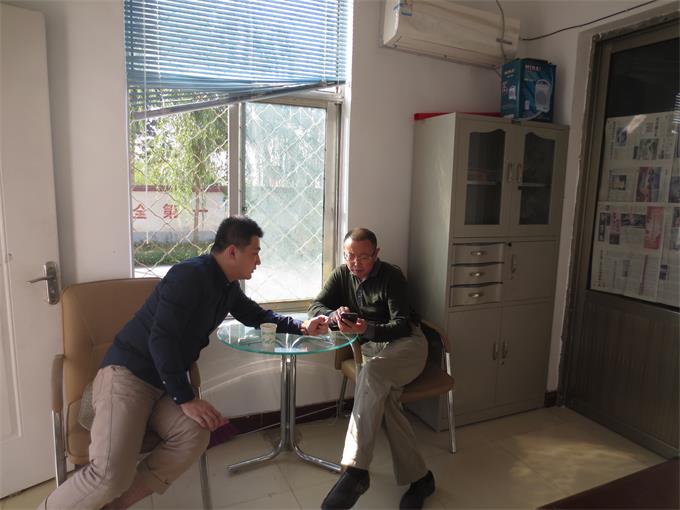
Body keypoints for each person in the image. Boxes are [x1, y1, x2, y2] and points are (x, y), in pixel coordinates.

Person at [40, 216, 327, 510]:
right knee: (109, 474)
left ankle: (113, 506)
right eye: (255, 253)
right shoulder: (188, 276)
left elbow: (257, 316)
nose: (259, 261)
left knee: (194, 434)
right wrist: (186, 398)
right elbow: (161, 339)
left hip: (163, 385)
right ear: (233, 252)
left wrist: (302, 326)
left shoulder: (227, 287)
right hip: (128, 375)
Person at [308, 228, 434, 510]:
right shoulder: (342, 275)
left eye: (363, 257)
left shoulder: (391, 277)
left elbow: (401, 325)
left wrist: (367, 329)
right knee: (384, 398)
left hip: (406, 344)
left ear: (376, 254)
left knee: (373, 373)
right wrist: (332, 315)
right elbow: (315, 306)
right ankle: (421, 479)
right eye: (350, 256)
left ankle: (355, 471)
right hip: (373, 348)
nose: (355, 263)